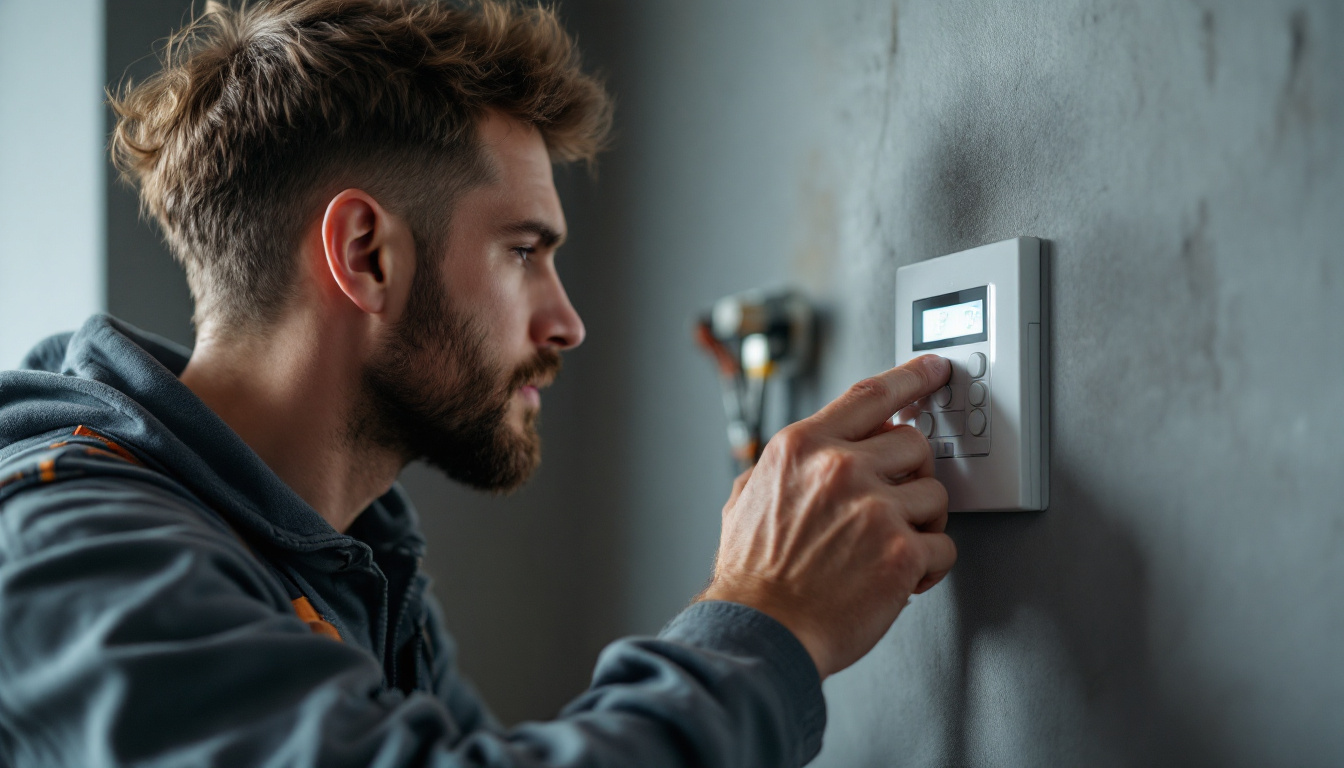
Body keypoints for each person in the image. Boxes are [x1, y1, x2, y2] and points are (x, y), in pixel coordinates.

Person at [0, 1, 956, 765]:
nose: (566, 322)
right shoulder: (78, 556)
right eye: (523, 251)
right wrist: (766, 614)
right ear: (366, 255)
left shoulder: (347, 554)